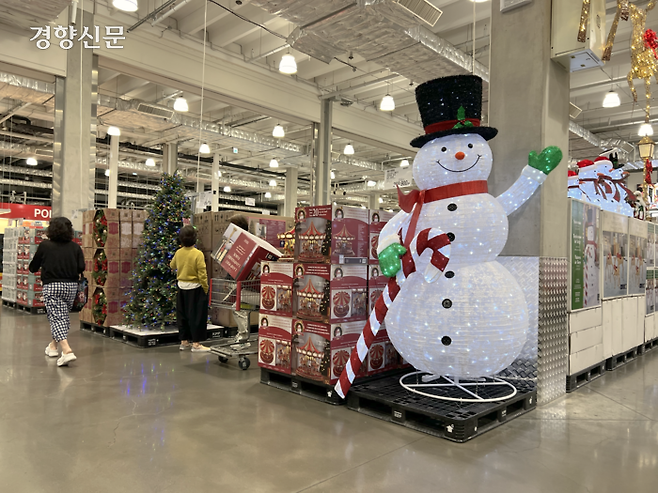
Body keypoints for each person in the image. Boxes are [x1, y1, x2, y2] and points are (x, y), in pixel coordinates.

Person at [29, 217, 84, 367]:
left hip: (52, 286)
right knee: (62, 317)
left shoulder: (45, 246)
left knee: (56, 318)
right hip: (71, 287)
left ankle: (66, 351)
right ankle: (53, 347)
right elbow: (81, 267)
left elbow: (33, 267)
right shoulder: (75, 247)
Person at [170, 225, 210, 352]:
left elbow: (172, 265)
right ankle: (196, 344)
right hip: (196, 288)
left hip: (181, 287)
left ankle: (184, 342)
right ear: (194, 238)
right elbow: (202, 273)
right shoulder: (198, 254)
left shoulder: (178, 252)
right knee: (197, 316)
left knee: (182, 315)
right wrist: (205, 288)